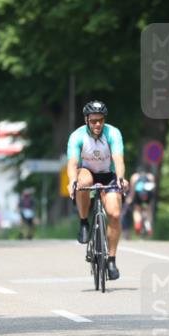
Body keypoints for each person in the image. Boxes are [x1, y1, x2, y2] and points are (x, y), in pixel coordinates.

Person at [66, 100, 127, 280]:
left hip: (109, 174)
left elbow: (118, 159)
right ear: (86, 120)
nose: (97, 124)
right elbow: (72, 163)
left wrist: (121, 178)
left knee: (114, 215)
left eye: (100, 120)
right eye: (93, 121)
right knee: (82, 180)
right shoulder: (77, 136)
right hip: (88, 172)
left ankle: (111, 260)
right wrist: (72, 181)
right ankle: (84, 222)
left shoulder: (113, 133)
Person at [129, 167, 157, 236]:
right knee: (149, 210)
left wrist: (130, 198)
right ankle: (149, 226)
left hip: (138, 195)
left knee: (137, 210)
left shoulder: (134, 177)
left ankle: (138, 223)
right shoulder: (150, 176)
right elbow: (153, 189)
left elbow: (132, 191)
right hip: (148, 196)